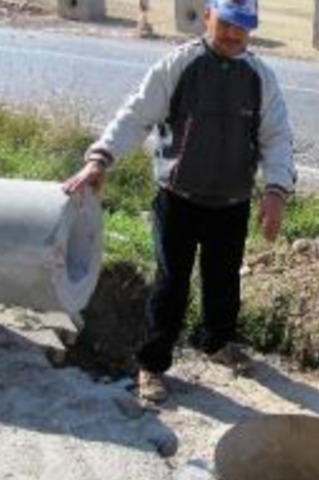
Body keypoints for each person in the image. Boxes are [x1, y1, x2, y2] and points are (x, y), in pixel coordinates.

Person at [62, 0, 296, 405]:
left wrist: (276, 191)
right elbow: (136, 114)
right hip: (178, 199)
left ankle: (216, 343)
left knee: (224, 281)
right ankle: (152, 365)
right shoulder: (179, 65)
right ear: (207, 16)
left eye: (242, 27)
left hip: (232, 203)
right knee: (171, 284)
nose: (233, 35)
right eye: (225, 24)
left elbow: (277, 137)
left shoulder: (260, 77)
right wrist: (100, 159)